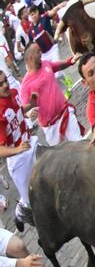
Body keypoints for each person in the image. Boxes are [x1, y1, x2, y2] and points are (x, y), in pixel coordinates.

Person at [19, 46, 83, 147]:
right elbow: (23, 110)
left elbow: (57, 66)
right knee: (63, 159)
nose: (41, 53)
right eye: (38, 52)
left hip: (65, 113)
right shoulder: (25, 85)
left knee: (79, 144)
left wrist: (71, 61)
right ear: (30, 58)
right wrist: (29, 112)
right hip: (51, 128)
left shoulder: (45, 64)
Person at [0, 76, 40, 229]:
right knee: (31, 202)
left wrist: (30, 105)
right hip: (17, 160)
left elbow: (17, 111)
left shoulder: (13, 93)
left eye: (5, 81)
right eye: (0, 84)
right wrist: (17, 149)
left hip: (32, 143)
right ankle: (20, 211)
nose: (5, 85)